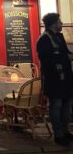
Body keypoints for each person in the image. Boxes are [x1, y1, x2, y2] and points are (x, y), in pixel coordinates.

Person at [36, 12, 73, 147]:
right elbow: (46, 61)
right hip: (54, 80)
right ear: (53, 24)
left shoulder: (59, 37)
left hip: (66, 79)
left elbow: (64, 53)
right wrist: (66, 58)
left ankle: (65, 131)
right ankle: (58, 135)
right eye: (59, 21)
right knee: (56, 107)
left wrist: (69, 55)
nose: (62, 23)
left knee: (66, 107)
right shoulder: (44, 39)